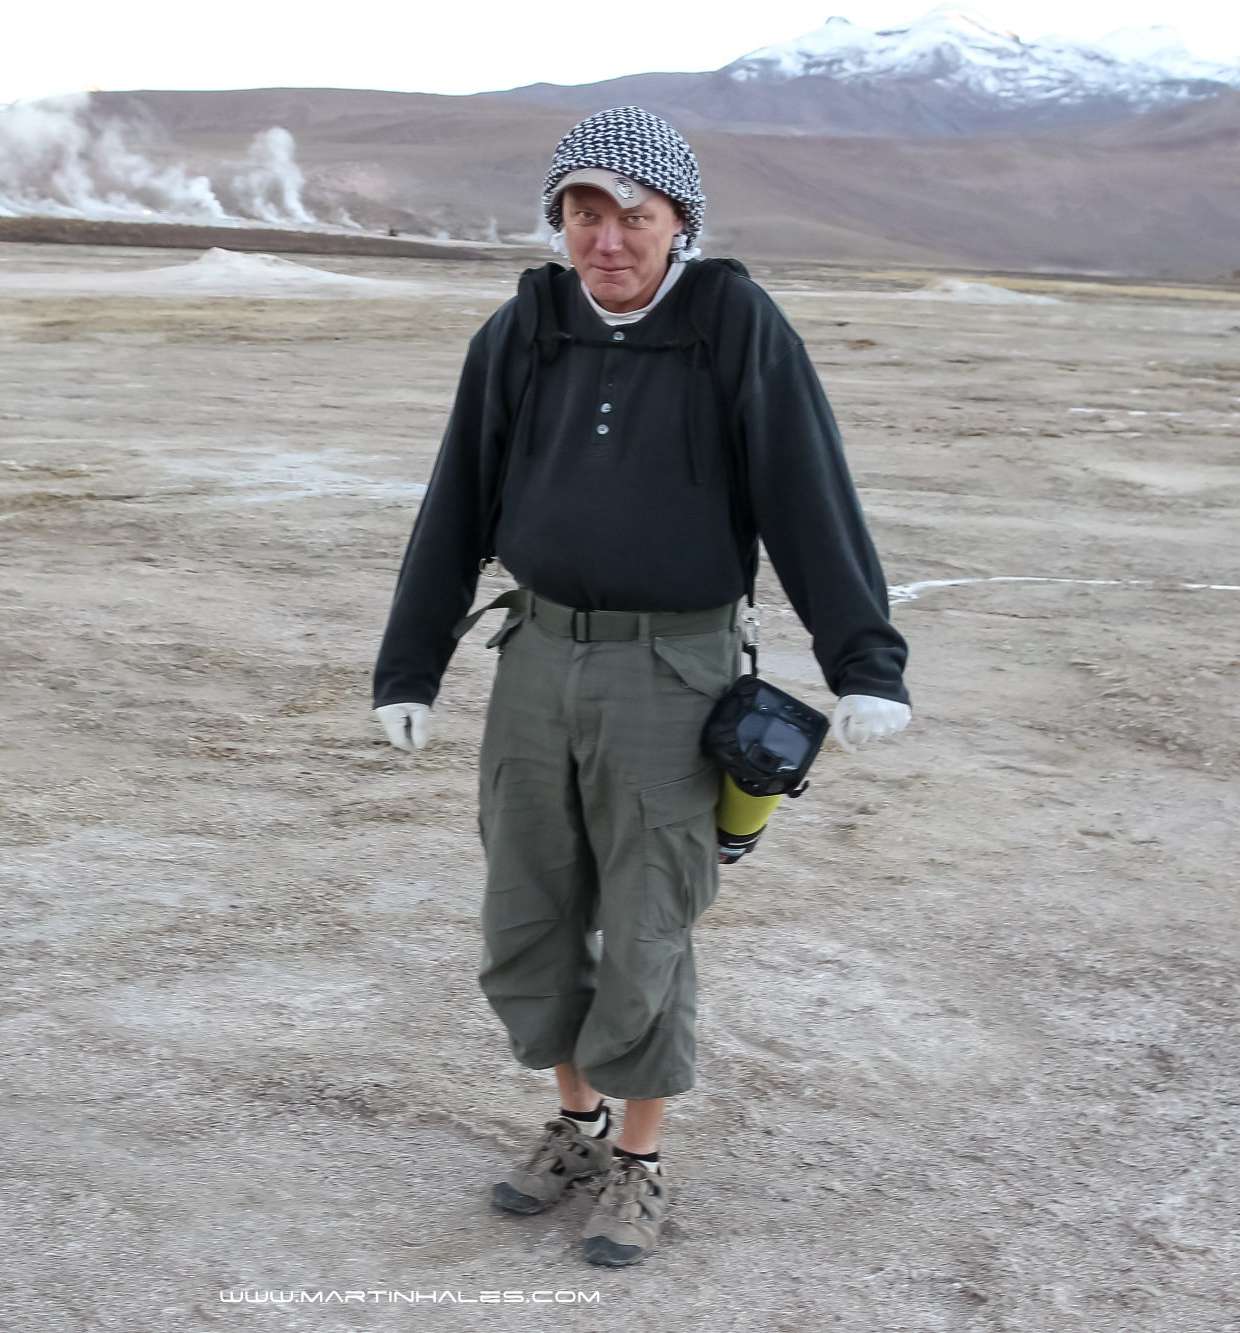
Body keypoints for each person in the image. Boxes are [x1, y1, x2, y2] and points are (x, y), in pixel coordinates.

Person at [370, 106, 911, 1266]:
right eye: (583, 214)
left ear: (679, 224)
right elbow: (455, 500)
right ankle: (574, 1124)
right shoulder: (523, 330)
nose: (606, 239)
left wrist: (865, 660)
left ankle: (639, 1160)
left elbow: (806, 492)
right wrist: (408, 665)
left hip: (674, 669)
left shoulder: (731, 326)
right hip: (537, 657)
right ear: (557, 221)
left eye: (633, 215)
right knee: (529, 909)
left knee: (648, 918)